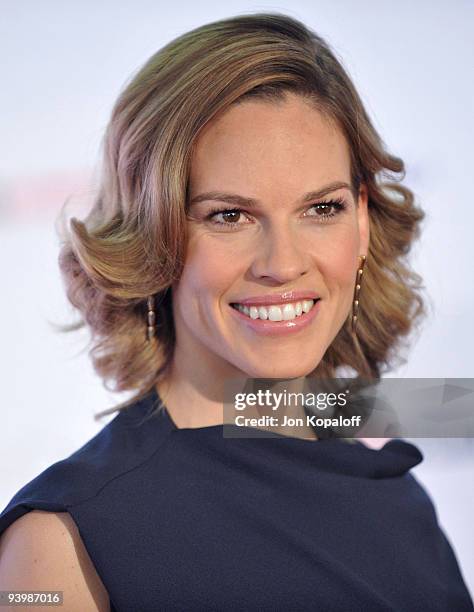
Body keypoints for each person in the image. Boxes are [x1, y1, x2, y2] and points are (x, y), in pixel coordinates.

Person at [0, 12, 472, 612]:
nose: (282, 263)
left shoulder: (401, 498)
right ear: (154, 239)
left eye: (320, 208)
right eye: (229, 215)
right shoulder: (62, 545)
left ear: (361, 218)